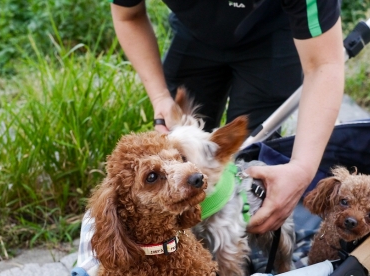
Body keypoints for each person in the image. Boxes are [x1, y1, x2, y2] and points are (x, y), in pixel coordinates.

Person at [110, 0, 345, 234]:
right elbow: (128, 16)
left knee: (254, 169)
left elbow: (324, 64)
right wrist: (160, 96)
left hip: (272, 36)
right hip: (195, 31)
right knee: (174, 155)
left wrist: (301, 169)